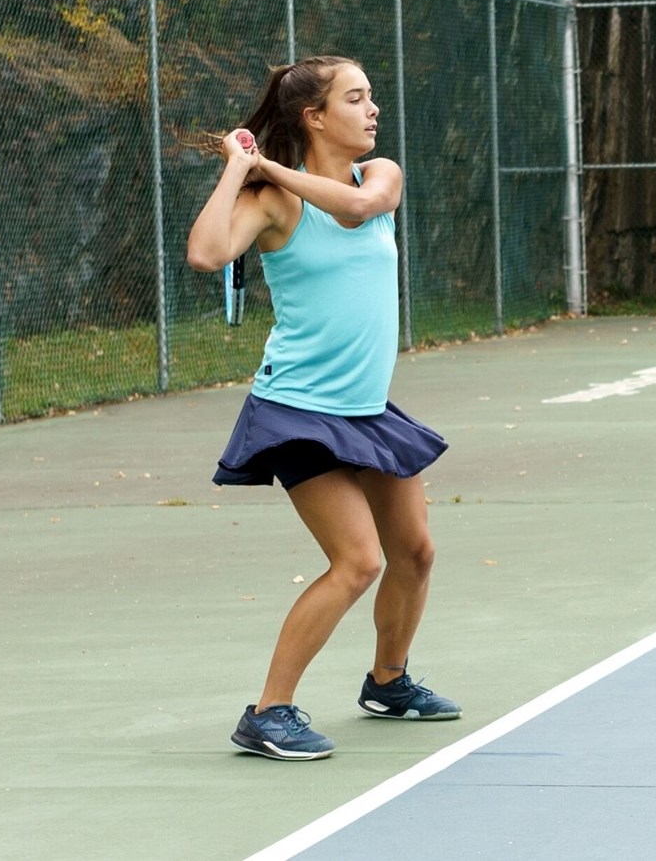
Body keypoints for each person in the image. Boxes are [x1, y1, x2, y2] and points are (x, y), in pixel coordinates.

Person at [186, 56, 460, 761]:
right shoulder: (274, 204)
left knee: (415, 553)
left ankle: (387, 682)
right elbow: (206, 254)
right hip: (298, 410)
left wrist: (267, 167)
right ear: (314, 117)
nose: (373, 110)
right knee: (358, 561)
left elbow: (358, 209)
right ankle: (268, 712)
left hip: (366, 407)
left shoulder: (380, 177)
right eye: (356, 98)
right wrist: (235, 170)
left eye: (372, 96)